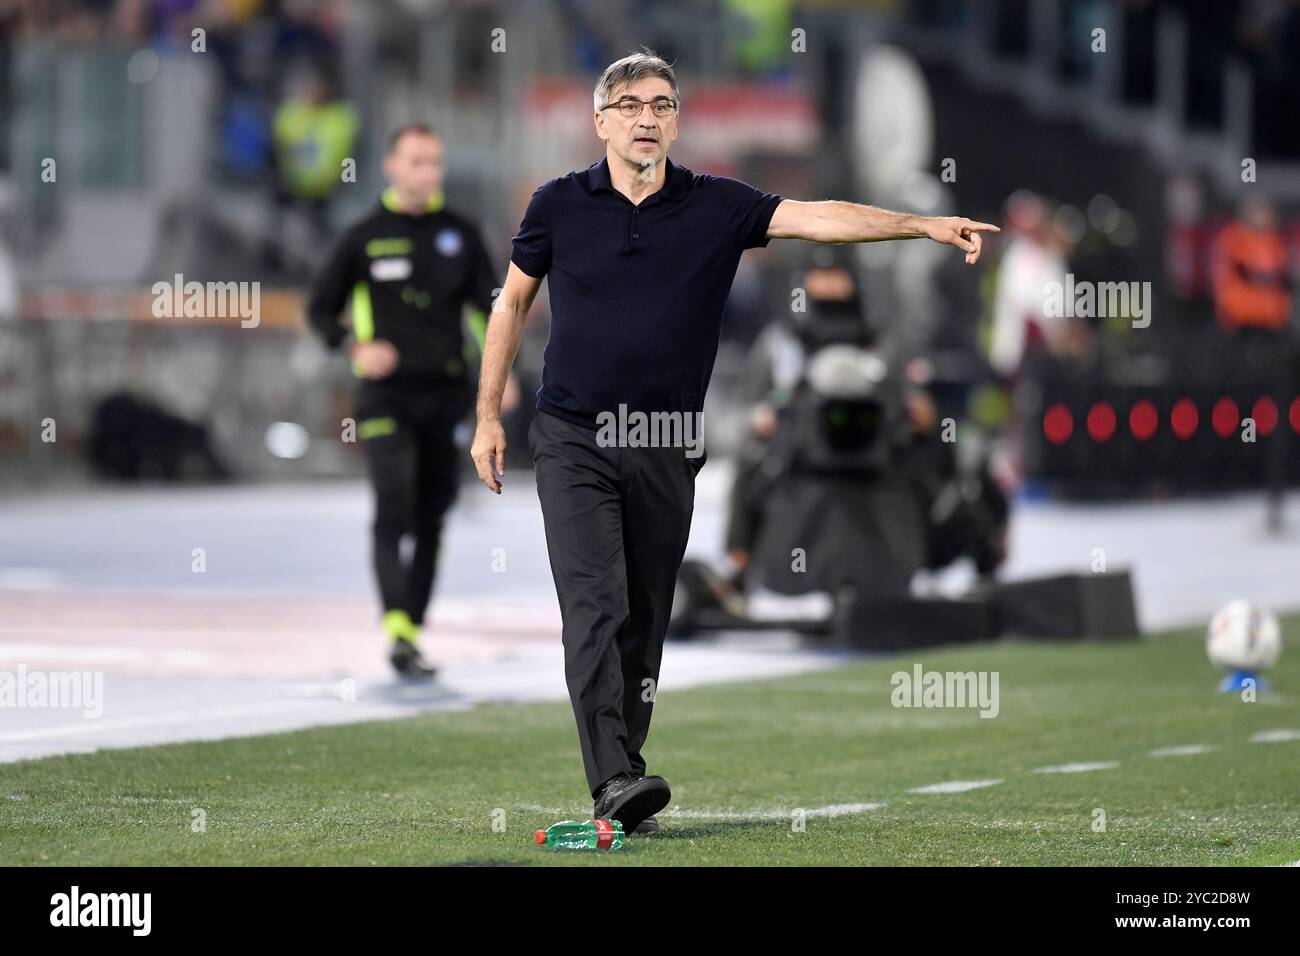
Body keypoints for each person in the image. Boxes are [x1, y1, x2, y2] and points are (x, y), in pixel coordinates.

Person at [470, 51, 998, 834]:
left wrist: (918, 225)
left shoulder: (717, 205)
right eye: (630, 104)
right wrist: (486, 416)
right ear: (601, 120)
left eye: (661, 103)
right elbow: (511, 305)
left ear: (677, 120)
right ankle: (612, 777)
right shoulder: (556, 205)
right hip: (574, 436)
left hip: (668, 441)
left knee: (644, 618)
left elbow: (818, 216)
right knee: (594, 605)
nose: (646, 117)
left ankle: (627, 770)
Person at [309, 124, 501, 678]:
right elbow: (321, 310)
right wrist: (354, 346)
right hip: (385, 398)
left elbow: (496, 312)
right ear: (391, 166)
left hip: (445, 394)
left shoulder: (462, 235)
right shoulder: (364, 235)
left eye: (434, 162)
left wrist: (501, 374)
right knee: (393, 501)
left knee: (433, 513)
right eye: (416, 161)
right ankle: (395, 625)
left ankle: (412, 627)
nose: (427, 172)